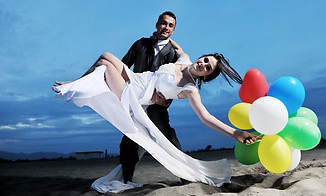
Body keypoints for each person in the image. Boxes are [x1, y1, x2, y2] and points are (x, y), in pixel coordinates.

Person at [53, 38, 260, 193]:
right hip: (134, 78)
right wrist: (165, 35)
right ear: (201, 56)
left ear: (206, 76)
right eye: (205, 60)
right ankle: (75, 81)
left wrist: (236, 133)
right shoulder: (184, 59)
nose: (203, 65)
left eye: (207, 68)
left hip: (133, 93)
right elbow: (176, 47)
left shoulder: (189, 88)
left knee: (105, 66)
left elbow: (205, 117)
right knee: (105, 56)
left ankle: (72, 86)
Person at [118, 11, 182, 184]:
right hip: (136, 101)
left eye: (170, 25)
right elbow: (122, 67)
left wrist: (165, 101)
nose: (166, 27)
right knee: (128, 140)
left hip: (157, 105)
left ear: (173, 30)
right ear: (156, 24)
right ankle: (126, 182)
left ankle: (186, 177)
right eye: (163, 23)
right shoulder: (140, 44)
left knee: (167, 137)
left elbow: (178, 84)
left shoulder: (175, 55)